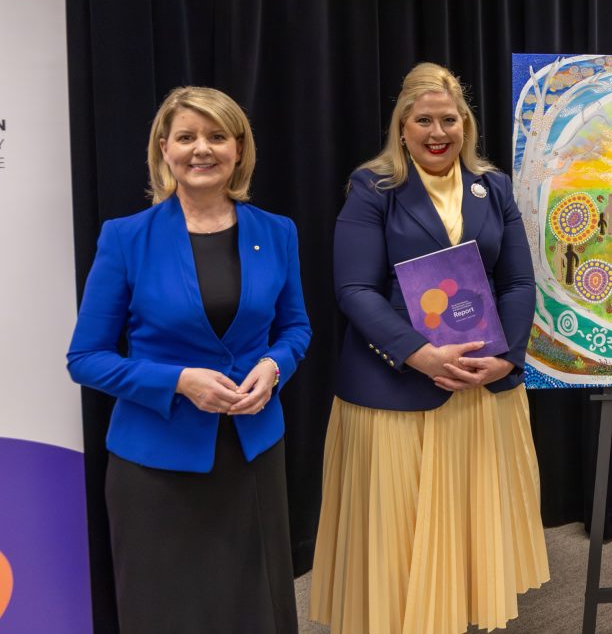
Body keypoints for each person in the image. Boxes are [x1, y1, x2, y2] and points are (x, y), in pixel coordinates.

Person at [310, 62, 549, 634]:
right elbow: (353, 289)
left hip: (480, 388)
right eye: (423, 120)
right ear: (402, 127)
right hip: (395, 387)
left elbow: (518, 283)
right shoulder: (374, 187)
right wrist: (418, 353)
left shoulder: (493, 188)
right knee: (396, 542)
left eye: (449, 119)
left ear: (465, 124)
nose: (437, 132)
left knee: (468, 536)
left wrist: (506, 356)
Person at [66, 86, 311, 634]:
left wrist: (274, 367)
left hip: (252, 456)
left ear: (239, 149)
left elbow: (295, 328)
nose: (202, 149)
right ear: (164, 148)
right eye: (187, 137)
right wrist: (178, 381)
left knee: (255, 611)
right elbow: (86, 359)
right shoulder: (126, 238)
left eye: (217, 136)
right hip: (156, 466)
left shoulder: (277, 232)